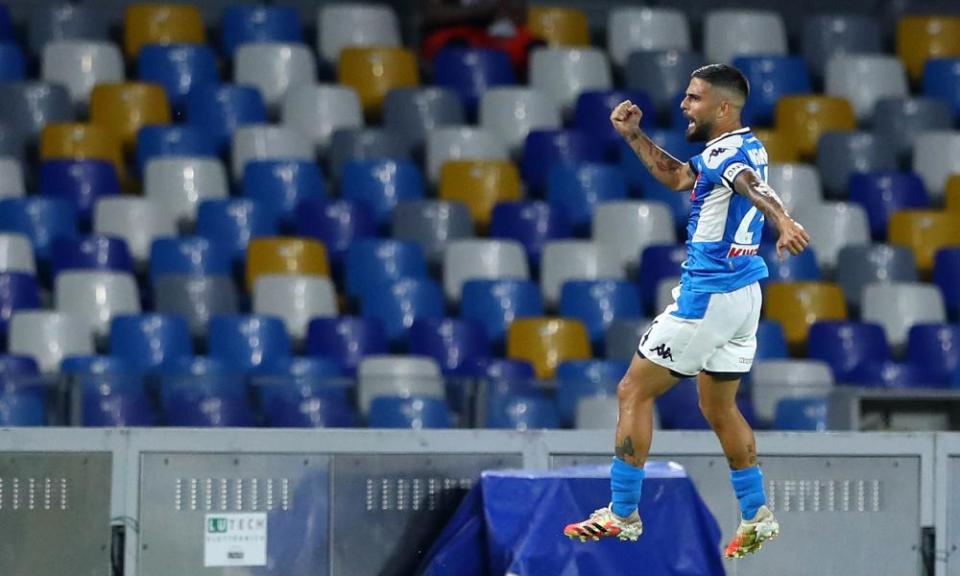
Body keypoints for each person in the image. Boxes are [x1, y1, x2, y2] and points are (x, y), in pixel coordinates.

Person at [562, 64, 810, 559]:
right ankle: (756, 513)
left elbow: (749, 187)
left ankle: (623, 511)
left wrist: (783, 220)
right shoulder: (745, 145)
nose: (683, 105)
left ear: (723, 107)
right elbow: (679, 176)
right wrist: (634, 136)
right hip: (744, 298)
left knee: (633, 390)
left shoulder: (730, 157)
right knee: (719, 407)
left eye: (694, 98)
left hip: (707, 298)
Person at [419, 0, 537, 71]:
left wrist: (503, 13)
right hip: (452, 34)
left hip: (490, 35)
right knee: (458, 48)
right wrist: (475, 12)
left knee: (534, 47)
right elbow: (430, 14)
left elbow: (519, 13)